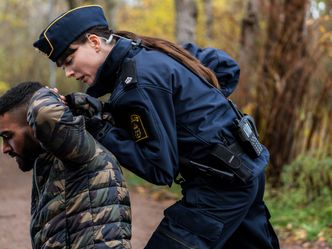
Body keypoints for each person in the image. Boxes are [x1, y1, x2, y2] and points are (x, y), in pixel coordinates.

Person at [33, 5, 280, 249]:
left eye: (69, 60)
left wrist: (100, 129)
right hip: (247, 168)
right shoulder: (151, 52)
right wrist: (202, 111)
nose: (68, 73)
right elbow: (225, 67)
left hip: (221, 189)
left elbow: (158, 168)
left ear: (95, 42)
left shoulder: (137, 82)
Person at [0, 82, 131, 249]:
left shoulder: (78, 150)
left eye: (8, 136)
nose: (4, 148)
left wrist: (45, 94)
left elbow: (44, 112)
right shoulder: (50, 161)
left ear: (34, 124)